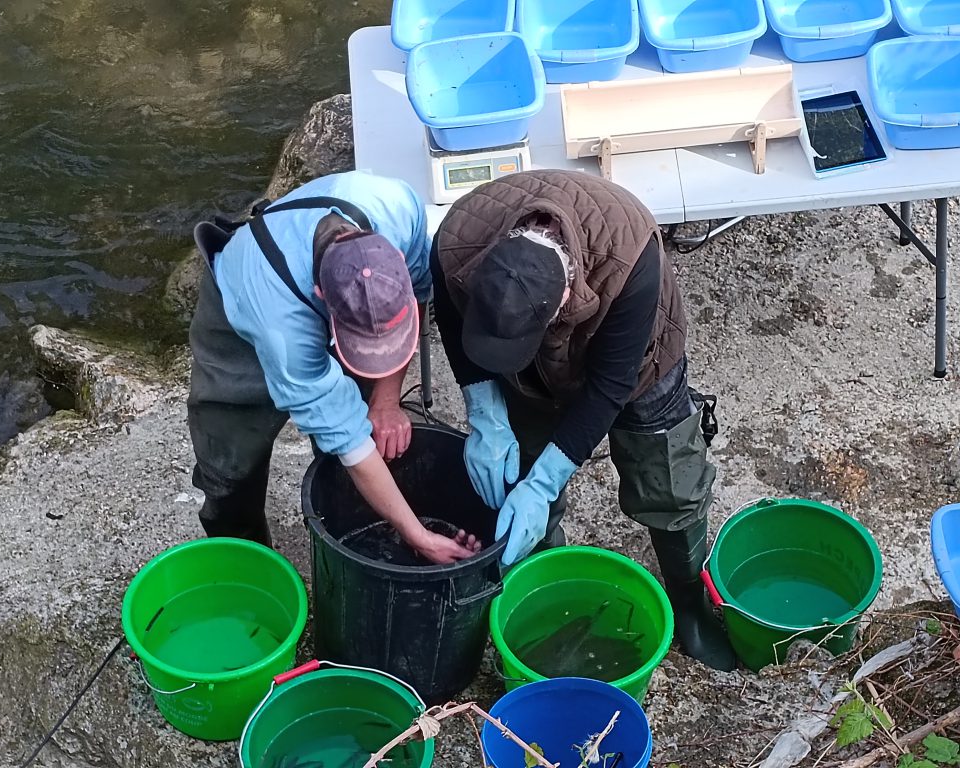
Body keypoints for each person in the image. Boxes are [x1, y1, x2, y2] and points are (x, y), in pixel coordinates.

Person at [431, 169, 736, 670]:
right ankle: (550, 595)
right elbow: (451, 314)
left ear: (567, 297)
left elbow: (609, 388)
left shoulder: (631, 259)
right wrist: (485, 412)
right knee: (518, 475)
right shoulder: (458, 241)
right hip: (524, 355)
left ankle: (690, 609)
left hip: (637, 362)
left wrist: (546, 482)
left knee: (669, 481)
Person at [187, 171, 481, 565]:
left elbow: (419, 292)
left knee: (362, 431)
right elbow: (348, 438)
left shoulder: (397, 207)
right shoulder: (283, 330)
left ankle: (345, 531)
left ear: (395, 258)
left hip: (326, 292)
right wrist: (419, 537)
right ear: (322, 298)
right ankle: (247, 566)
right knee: (230, 465)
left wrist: (386, 400)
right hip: (241, 308)